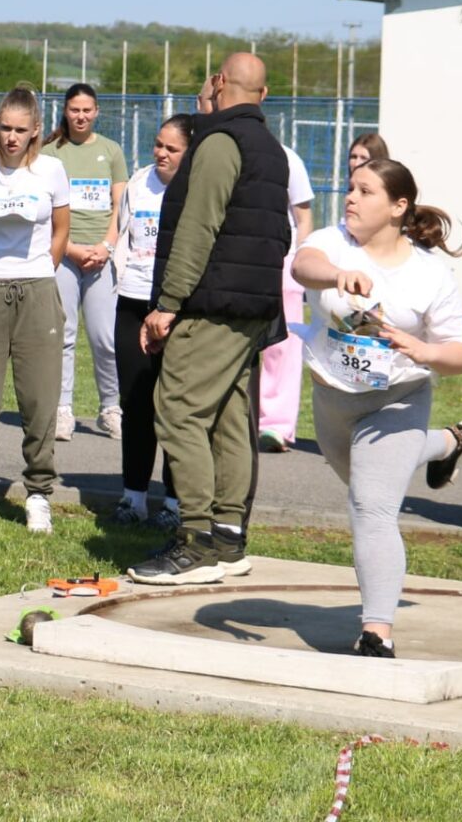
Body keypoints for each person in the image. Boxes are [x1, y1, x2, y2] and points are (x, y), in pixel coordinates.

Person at [293, 159, 462, 656]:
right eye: (350, 188)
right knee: (366, 484)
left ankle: (377, 633)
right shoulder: (334, 242)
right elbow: (301, 266)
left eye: (365, 191)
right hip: (333, 400)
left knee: (370, 506)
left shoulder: (429, 274)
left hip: (398, 401)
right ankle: (447, 443)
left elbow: (461, 355)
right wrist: (339, 275)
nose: (351, 198)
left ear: (398, 207)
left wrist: (425, 351)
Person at [126, 54, 290, 586]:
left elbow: (199, 228)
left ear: (218, 83)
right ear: (263, 94)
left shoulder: (220, 143)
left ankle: (195, 542)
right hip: (253, 306)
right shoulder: (272, 148)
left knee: (178, 410)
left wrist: (167, 304)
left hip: (212, 305)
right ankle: (227, 539)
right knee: (228, 418)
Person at [0, 86, 70, 535]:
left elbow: (61, 231)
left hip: (38, 290)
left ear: (36, 130)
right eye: (4, 128)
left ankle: (38, 494)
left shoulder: (52, 170)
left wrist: (40, 271)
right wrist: (0, 268)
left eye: (21, 130)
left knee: (39, 402)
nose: (11, 137)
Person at [110, 114, 189, 528]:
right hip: (133, 300)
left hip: (176, 309)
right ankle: (133, 497)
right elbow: (123, 234)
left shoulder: (195, 188)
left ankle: (175, 503)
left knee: (175, 407)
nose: (161, 153)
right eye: (158, 144)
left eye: (172, 148)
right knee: (135, 402)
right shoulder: (140, 182)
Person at [41, 84, 129, 441]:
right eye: (75, 110)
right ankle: (62, 410)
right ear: (65, 110)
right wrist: (71, 248)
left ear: (97, 112)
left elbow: (120, 205)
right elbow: (45, 210)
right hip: (64, 255)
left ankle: (111, 408)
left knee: (105, 338)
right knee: (63, 334)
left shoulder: (111, 150)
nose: (81, 116)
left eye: (87, 110)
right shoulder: (49, 153)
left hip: (101, 257)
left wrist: (106, 246)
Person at [256, 142, 317, 452]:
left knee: (282, 346)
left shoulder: (287, 158)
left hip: (282, 260)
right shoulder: (224, 150)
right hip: (239, 259)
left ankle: (276, 425)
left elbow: (304, 217)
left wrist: (296, 262)